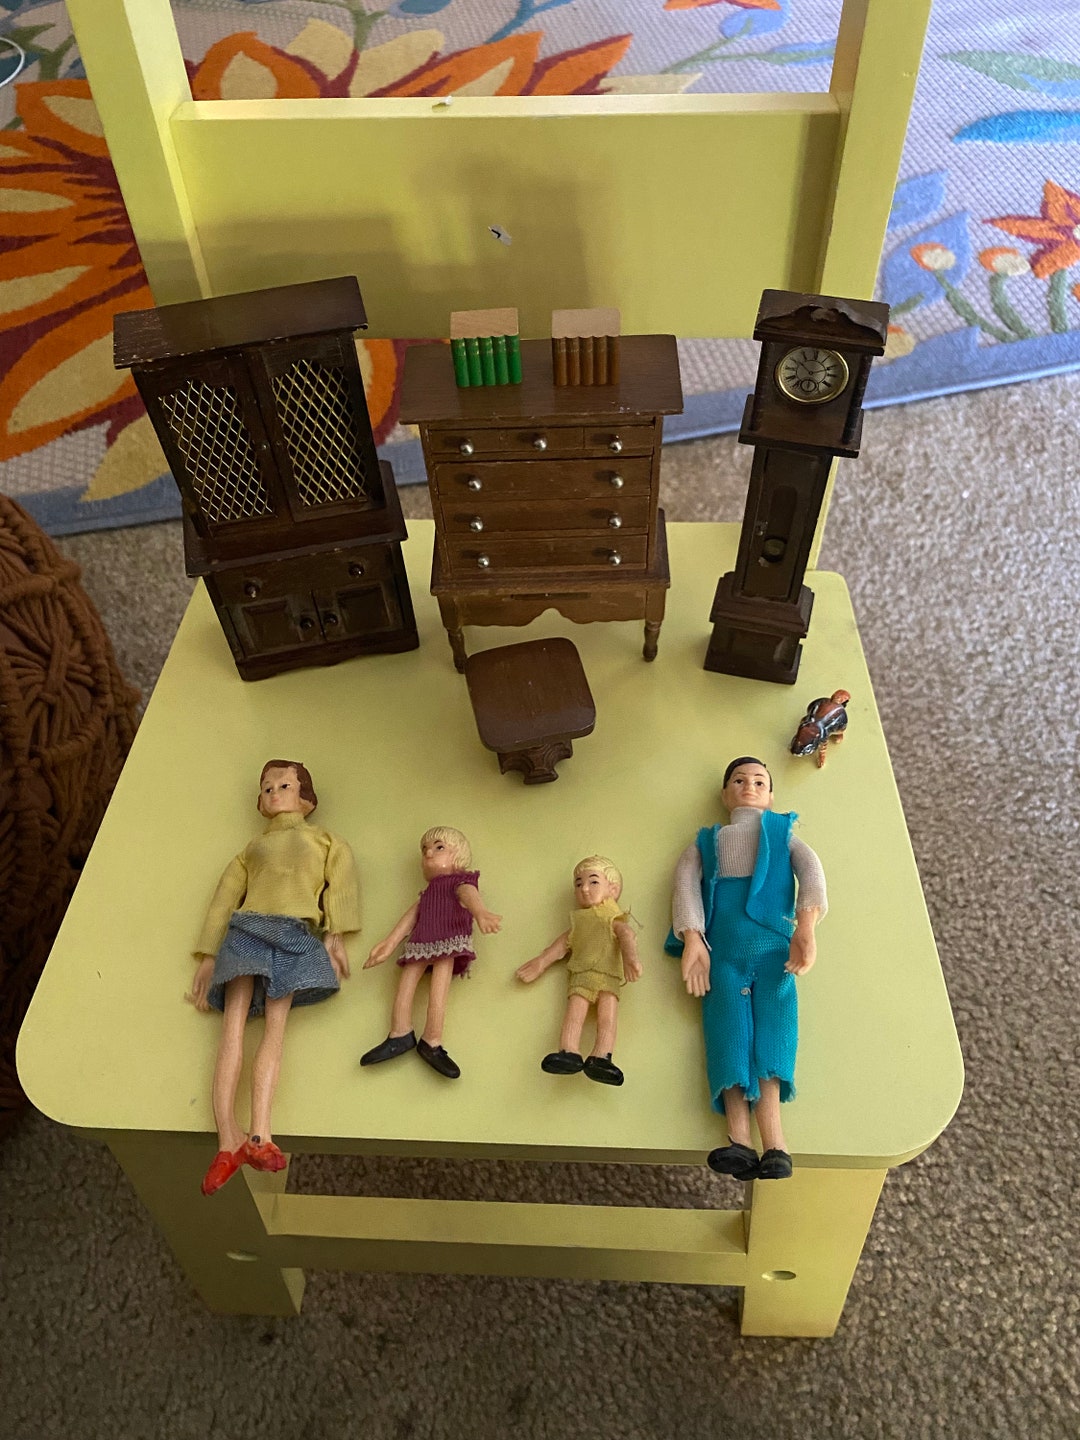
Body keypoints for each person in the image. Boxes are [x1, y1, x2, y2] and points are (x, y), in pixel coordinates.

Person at [188, 759, 360, 1196]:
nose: (274, 793)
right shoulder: (251, 849)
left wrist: (335, 935)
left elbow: (340, 885)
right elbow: (224, 898)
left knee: (275, 1030)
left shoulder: (325, 840)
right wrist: (208, 956)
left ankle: (260, 1134)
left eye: (284, 785)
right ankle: (227, 1140)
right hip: (246, 930)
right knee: (232, 1030)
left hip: (294, 934)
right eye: (267, 788)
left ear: (306, 798)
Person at [667, 757, 825, 1180]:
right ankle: (738, 1139)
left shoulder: (783, 833)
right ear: (725, 794)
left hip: (777, 953)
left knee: (775, 1035)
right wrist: (693, 938)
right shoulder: (706, 842)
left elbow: (811, 873)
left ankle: (775, 1144)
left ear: (771, 794)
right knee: (728, 1035)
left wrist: (806, 927)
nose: (749, 786)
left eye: (759, 781)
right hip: (722, 955)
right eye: (739, 780)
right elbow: (685, 886)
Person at [360, 827, 501, 1080]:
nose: (428, 854)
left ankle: (432, 1040)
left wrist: (481, 913)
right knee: (406, 984)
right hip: (420, 943)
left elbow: (469, 895)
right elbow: (411, 918)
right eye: (425, 849)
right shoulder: (428, 893)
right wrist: (388, 943)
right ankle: (400, 1032)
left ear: (458, 855)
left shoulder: (460, 882)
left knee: (439, 992)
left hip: (447, 943)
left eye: (439, 847)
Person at [516, 855, 642, 1086]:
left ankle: (602, 1056)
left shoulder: (613, 919)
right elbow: (562, 945)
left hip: (608, 976)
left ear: (613, 889)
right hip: (582, 975)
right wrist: (541, 962)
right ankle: (568, 1051)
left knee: (607, 1018)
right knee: (574, 1015)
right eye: (578, 883)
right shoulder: (579, 922)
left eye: (593, 882)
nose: (584, 888)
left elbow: (626, 935)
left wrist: (630, 960)